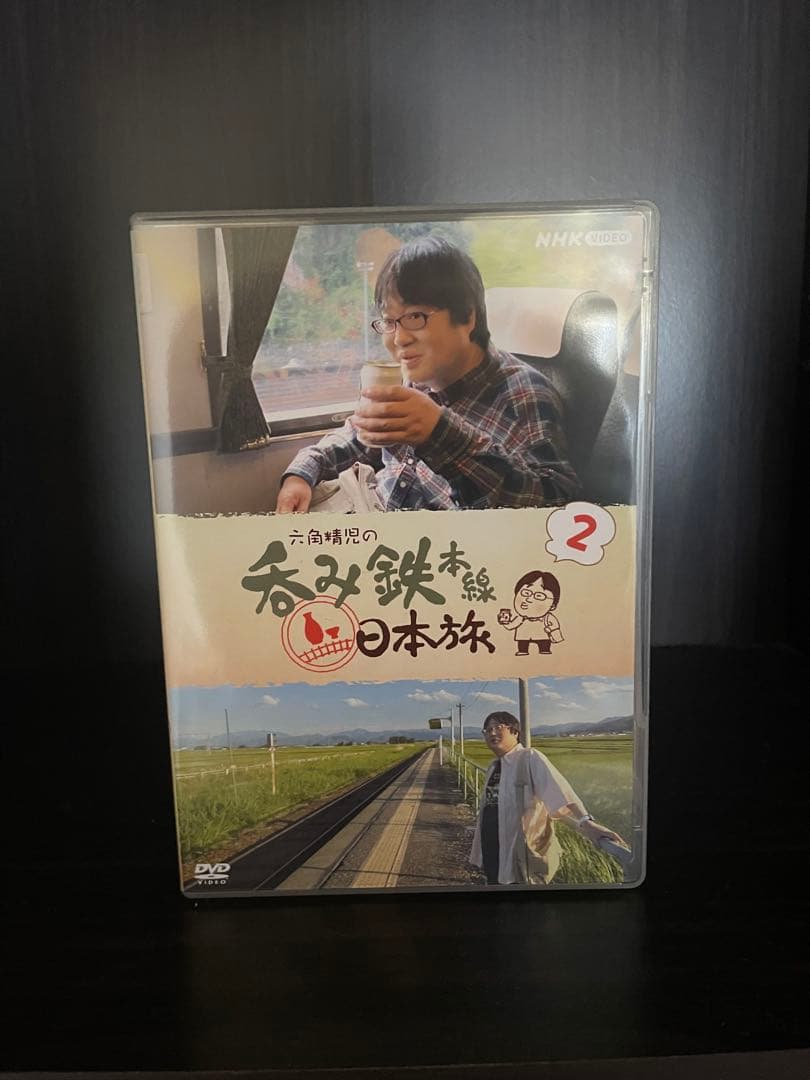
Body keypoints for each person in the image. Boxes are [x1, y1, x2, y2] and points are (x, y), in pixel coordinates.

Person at [276, 236, 579, 512]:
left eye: (415, 317)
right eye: (389, 321)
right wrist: (303, 472)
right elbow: (359, 435)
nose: (399, 339)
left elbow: (553, 502)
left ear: (467, 316)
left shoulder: (523, 395)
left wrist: (441, 434)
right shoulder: (414, 375)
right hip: (371, 511)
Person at [470, 711, 627, 885]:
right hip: (492, 847)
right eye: (487, 730)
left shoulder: (529, 758)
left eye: (498, 727)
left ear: (514, 732)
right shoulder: (494, 766)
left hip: (520, 853)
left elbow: (560, 790)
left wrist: (586, 822)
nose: (492, 733)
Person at [498, 570, 565, 655]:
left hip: (542, 634)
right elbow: (512, 625)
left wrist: (551, 630)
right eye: (526, 593)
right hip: (523, 635)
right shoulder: (521, 618)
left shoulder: (547, 617)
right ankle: (523, 650)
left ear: (552, 606)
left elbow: (555, 626)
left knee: (544, 646)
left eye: (539, 596)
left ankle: (544, 650)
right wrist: (505, 622)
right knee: (522, 644)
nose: (529, 599)